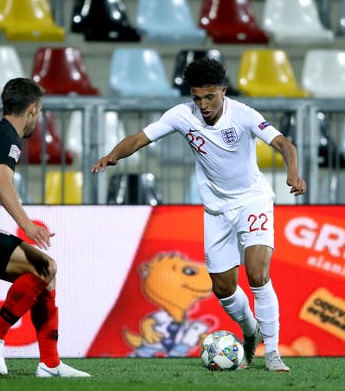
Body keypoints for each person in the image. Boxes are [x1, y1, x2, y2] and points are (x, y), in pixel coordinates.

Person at [91, 59, 306, 372]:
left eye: (210, 97)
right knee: (223, 288)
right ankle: (250, 333)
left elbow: (283, 142)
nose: (203, 105)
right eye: (197, 98)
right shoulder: (181, 115)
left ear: (223, 91)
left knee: (258, 275)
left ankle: (272, 352)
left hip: (252, 201)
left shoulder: (244, 115)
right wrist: (112, 155)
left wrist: (293, 173)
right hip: (216, 210)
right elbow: (140, 138)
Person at [0, 77, 90, 378]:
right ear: (33, 109)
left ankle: (49, 364)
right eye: (40, 110)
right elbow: (3, 183)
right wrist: (28, 225)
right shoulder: (8, 137)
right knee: (46, 266)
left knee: (46, 274)